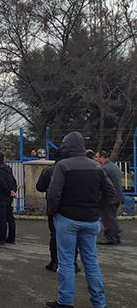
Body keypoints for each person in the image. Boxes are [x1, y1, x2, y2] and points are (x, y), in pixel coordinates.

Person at [46, 131, 116, 308]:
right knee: (91, 262)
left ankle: (65, 301)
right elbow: (110, 192)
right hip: (91, 220)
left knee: (66, 262)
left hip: (67, 219)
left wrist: (53, 212)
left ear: (66, 147)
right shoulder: (97, 167)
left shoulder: (63, 165)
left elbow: (53, 194)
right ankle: (99, 302)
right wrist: (98, 210)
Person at [95, 150, 125, 245]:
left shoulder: (105, 168)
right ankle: (115, 235)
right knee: (112, 217)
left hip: (109, 198)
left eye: (97, 157)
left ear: (102, 157)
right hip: (117, 197)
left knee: (108, 218)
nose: (95, 159)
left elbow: (102, 183)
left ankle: (111, 237)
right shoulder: (114, 166)